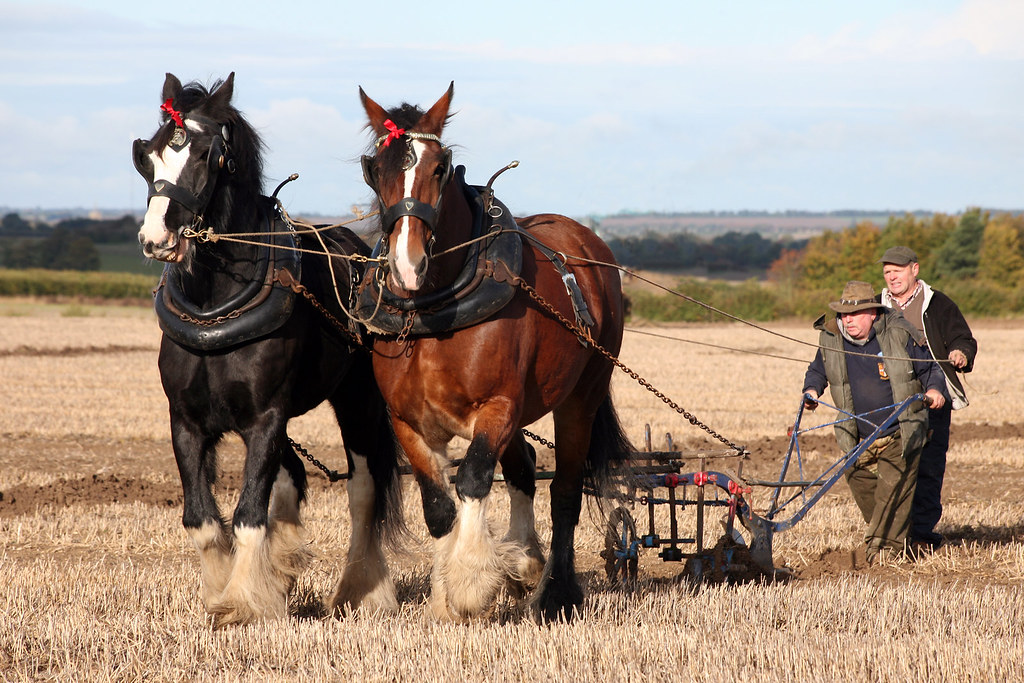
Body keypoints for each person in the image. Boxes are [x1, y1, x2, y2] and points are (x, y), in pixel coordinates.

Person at [802, 280, 947, 564]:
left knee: (893, 487)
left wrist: (934, 390)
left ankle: (885, 554)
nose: (849, 320)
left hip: (900, 428)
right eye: (844, 314)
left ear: (873, 314)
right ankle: (892, 539)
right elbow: (817, 370)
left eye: (855, 314)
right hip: (856, 433)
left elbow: (930, 368)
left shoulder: (899, 333)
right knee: (860, 481)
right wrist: (811, 391)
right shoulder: (831, 338)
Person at [878, 245, 978, 551]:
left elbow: (963, 337)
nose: (892, 277)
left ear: (914, 270)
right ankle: (890, 532)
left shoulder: (938, 304)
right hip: (887, 396)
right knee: (890, 464)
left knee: (929, 465)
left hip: (932, 392)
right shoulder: (876, 306)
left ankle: (920, 533)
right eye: (887, 272)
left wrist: (960, 352)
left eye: (898, 270)